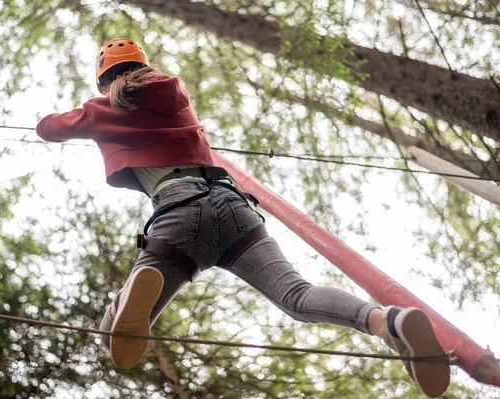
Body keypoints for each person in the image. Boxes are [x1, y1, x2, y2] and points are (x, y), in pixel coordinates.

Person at [36, 38, 450, 397]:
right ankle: (387, 321)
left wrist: (93, 116)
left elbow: (47, 128)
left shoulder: (102, 108)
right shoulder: (174, 93)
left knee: (116, 332)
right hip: (234, 207)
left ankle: (126, 300)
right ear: (145, 66)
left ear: (104, 80)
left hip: (178, 211)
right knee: (297, 296)